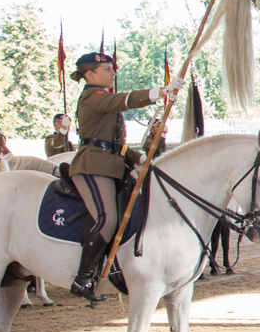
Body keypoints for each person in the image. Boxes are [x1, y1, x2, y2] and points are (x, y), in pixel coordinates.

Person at [65, 51, 178, 303]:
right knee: (107, 220)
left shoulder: (103, 98)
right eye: (107, 69)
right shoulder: (92, 97)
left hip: (112, 164)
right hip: (93, 166)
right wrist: (159, 92)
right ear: (90, 74)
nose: (113, 72)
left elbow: (113, 144)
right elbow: (125, 101)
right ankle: (82, 279)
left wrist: (136, 159)